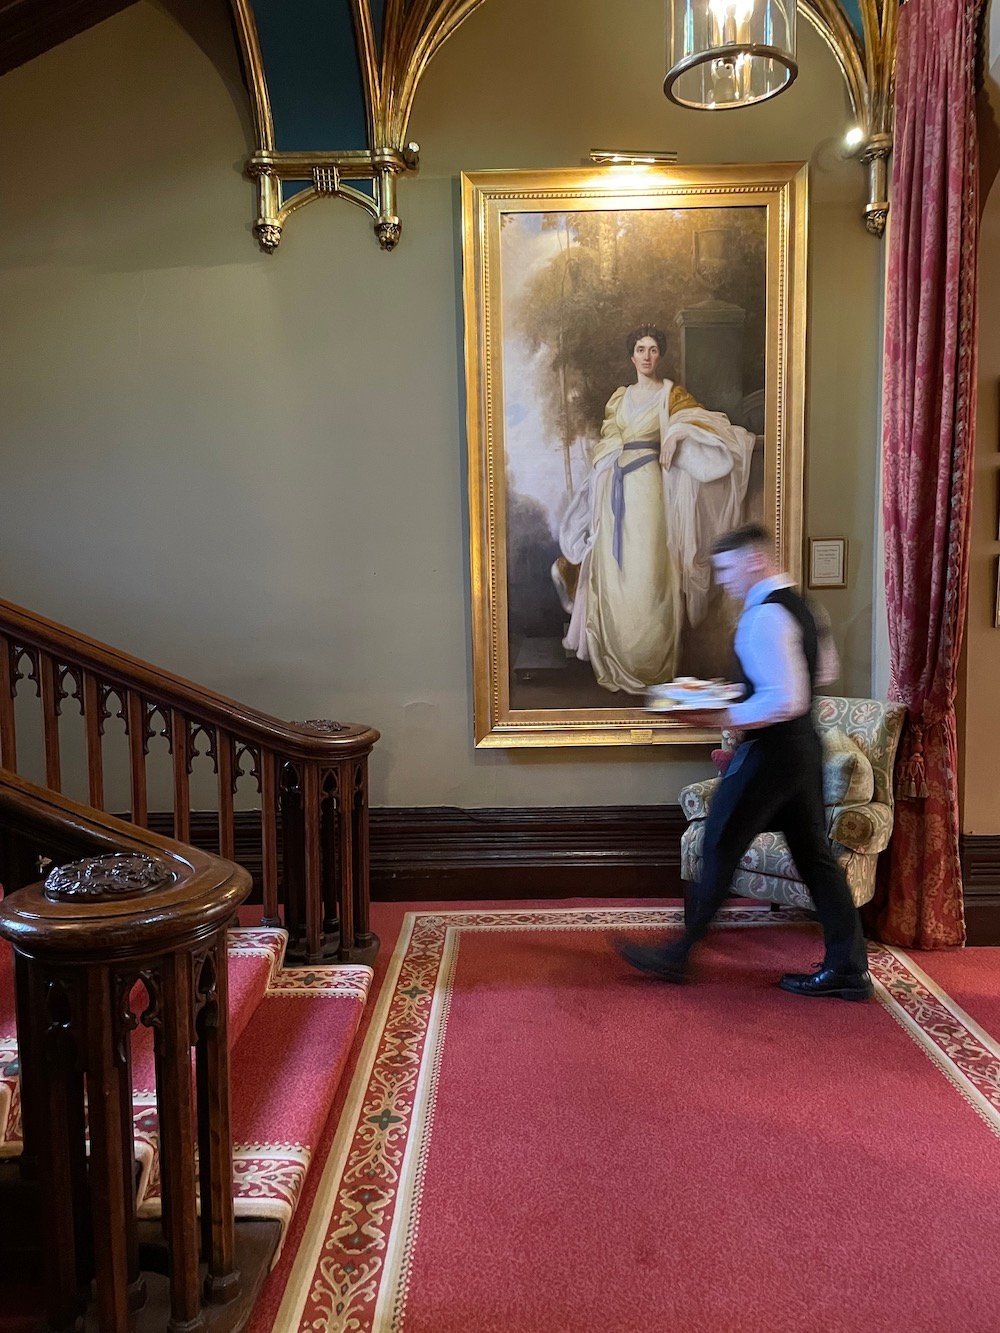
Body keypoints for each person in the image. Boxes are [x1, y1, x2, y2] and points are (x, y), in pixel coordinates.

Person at [617, 523, 873, 1001]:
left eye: (726, 568)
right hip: (802, 749)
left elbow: (788, 698)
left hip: (772, 752)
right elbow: (824, 671)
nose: (722, 579)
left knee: (719, 843)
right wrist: (737, 690)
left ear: (754, 560)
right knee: (815, 857)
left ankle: (679, 954)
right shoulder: (804, 606)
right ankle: (847, 969)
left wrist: (717, 713)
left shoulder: (764, 618)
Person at [553, 324, 753, 693]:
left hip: (651, 490)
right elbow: (610, 439)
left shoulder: (670, 393)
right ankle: (619, 657)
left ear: (660, 355)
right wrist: (606, 469)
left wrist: (675, 433)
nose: (647, 356)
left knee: (649, 571)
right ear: (632, 356)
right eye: (640, 349)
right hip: (616, 489)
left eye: (653, 350)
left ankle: (651, 663)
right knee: (617, 569)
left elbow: (698, 423)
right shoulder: (620, 398)